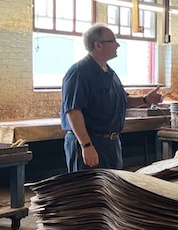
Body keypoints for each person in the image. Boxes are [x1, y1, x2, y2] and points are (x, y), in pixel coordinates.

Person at [61, 24, 163, 172]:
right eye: (113, 41)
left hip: (110, 144)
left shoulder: (110, 73)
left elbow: (123, 101)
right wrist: (86, 145)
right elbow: (73, 112)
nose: (118, 45)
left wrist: (145, 99)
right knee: (88, 192)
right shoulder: (79, 72)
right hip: (90, 143)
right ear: (98, 45)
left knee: (111, 192)